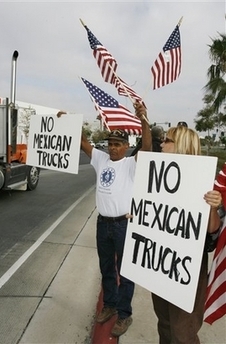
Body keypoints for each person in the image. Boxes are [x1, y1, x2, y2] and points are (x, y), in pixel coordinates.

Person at [80, 102, 152, 337]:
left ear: (126, 147)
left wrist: (143, 119)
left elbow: (148, 146)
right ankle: (110, 305)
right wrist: (69, 124)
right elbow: (84, 144)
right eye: (110, 144)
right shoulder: (101, 160)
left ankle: (124, 314)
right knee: (106, 268)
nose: (112, 148)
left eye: (117, 145)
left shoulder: (131, 164)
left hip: (123, 224)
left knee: (126, 271)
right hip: (103, 224)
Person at [147, 125, 222, 344]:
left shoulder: (206, 179)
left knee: (183, 333)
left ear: (181, 145)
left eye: (166, 141)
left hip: (187, 266)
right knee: (164, 324)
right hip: (160, 261)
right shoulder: (157, 176)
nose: (161, 144)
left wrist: (212, 207)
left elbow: (212, 234)